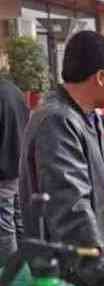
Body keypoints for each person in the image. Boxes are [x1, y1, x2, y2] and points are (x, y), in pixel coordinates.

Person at [18, 31, 104, 286]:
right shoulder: (57, 120)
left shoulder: (89, 117)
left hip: (95, 265)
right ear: (100, 77)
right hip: (75, 274)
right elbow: (70, 207)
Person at [0, 79, 29, 267]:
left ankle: (9, 277)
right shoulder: (14, 90)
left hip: (3, 171)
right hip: (19, 166)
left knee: (4, 228)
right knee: (21, 222)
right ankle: (26, 269)